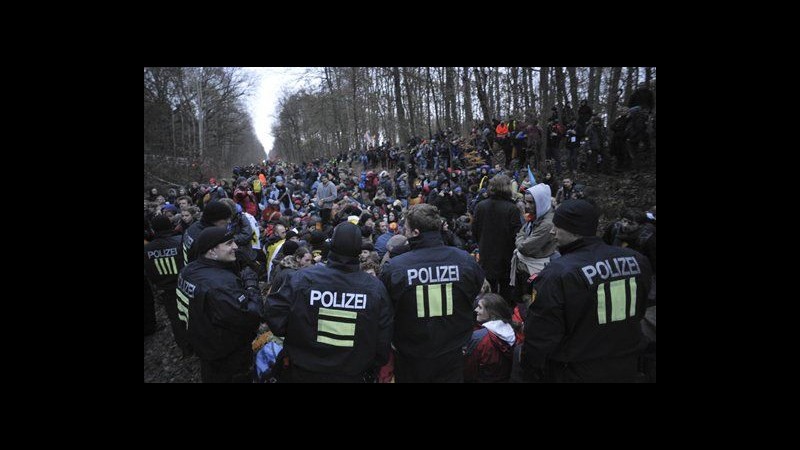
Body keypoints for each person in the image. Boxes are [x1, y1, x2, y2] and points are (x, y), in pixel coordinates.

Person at [521, 200, 652, 382]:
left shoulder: (557, 274)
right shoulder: (637, 261)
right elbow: (641, 307)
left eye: (557, 227)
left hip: (577, 369)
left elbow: (541, 336)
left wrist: (530, 373)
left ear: (574, 230)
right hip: (627, 364)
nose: (552, 232)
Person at [265, 222, 392, 382]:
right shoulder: (375, 289)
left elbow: (275, 318)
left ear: (331, 245)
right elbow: (383, 339)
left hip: (304, 372)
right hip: (350, 374)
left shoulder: (302, 279)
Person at [381, 204, 485, 382]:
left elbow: (386, 307)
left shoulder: (395, 268)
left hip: (412, 356)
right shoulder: (464, 261)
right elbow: (475, 289)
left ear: (414, 232)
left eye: (405, 229)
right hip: (453, 352)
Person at [177, 226, 264, 383]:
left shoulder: (187, 270)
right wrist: (251, 286)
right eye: (229, 243)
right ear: (211, 251)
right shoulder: (221, 284)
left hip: (204, 345)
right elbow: (251, 316)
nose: (235, 247)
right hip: (228, 356)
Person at [144, 215, 190, 356]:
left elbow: (148, 272)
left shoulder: (147, 249)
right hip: (184, 286)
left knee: (175, 320)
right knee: (192, 314)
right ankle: (197, 344)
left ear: (153, 228)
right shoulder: (180, 240)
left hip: (165, 289)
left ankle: (186, 349)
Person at [463, 293, 518, 383]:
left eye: (480, 307)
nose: (476, 310)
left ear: (491, 313)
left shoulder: (479, 338)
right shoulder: (513, 332)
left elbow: (469, 370)